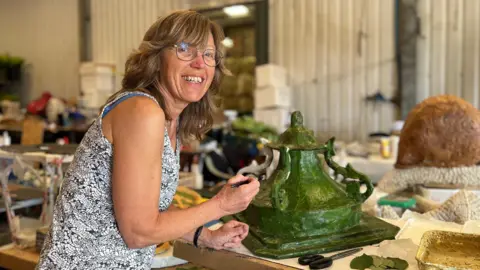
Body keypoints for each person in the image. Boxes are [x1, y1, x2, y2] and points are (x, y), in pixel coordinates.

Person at [37, 10, 260, 269]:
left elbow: (149, 209)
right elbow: (139, 231)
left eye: (208, 54)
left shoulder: (169, 120)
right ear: (157, 57)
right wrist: (221, 205)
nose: (200, 63)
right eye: (186, 49)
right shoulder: (142, 111)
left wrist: (205, 235)